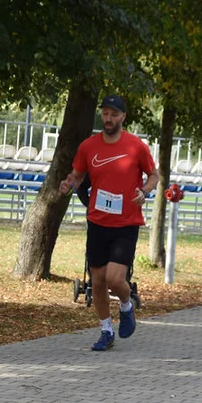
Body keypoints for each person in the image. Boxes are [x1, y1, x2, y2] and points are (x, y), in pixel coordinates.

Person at [59, 95, 159, 351]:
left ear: (123, 116)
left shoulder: (136, 146)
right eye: (105, 113)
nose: (108, 119)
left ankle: (126, 306)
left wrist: (144, 191)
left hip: (126, 223)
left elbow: (155, 175)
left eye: (114, 114)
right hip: (98, 222)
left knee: (115, 279)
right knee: (98, 281)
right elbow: (77, 174)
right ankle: (106, 330)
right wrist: (68, 183)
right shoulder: (88, 146)